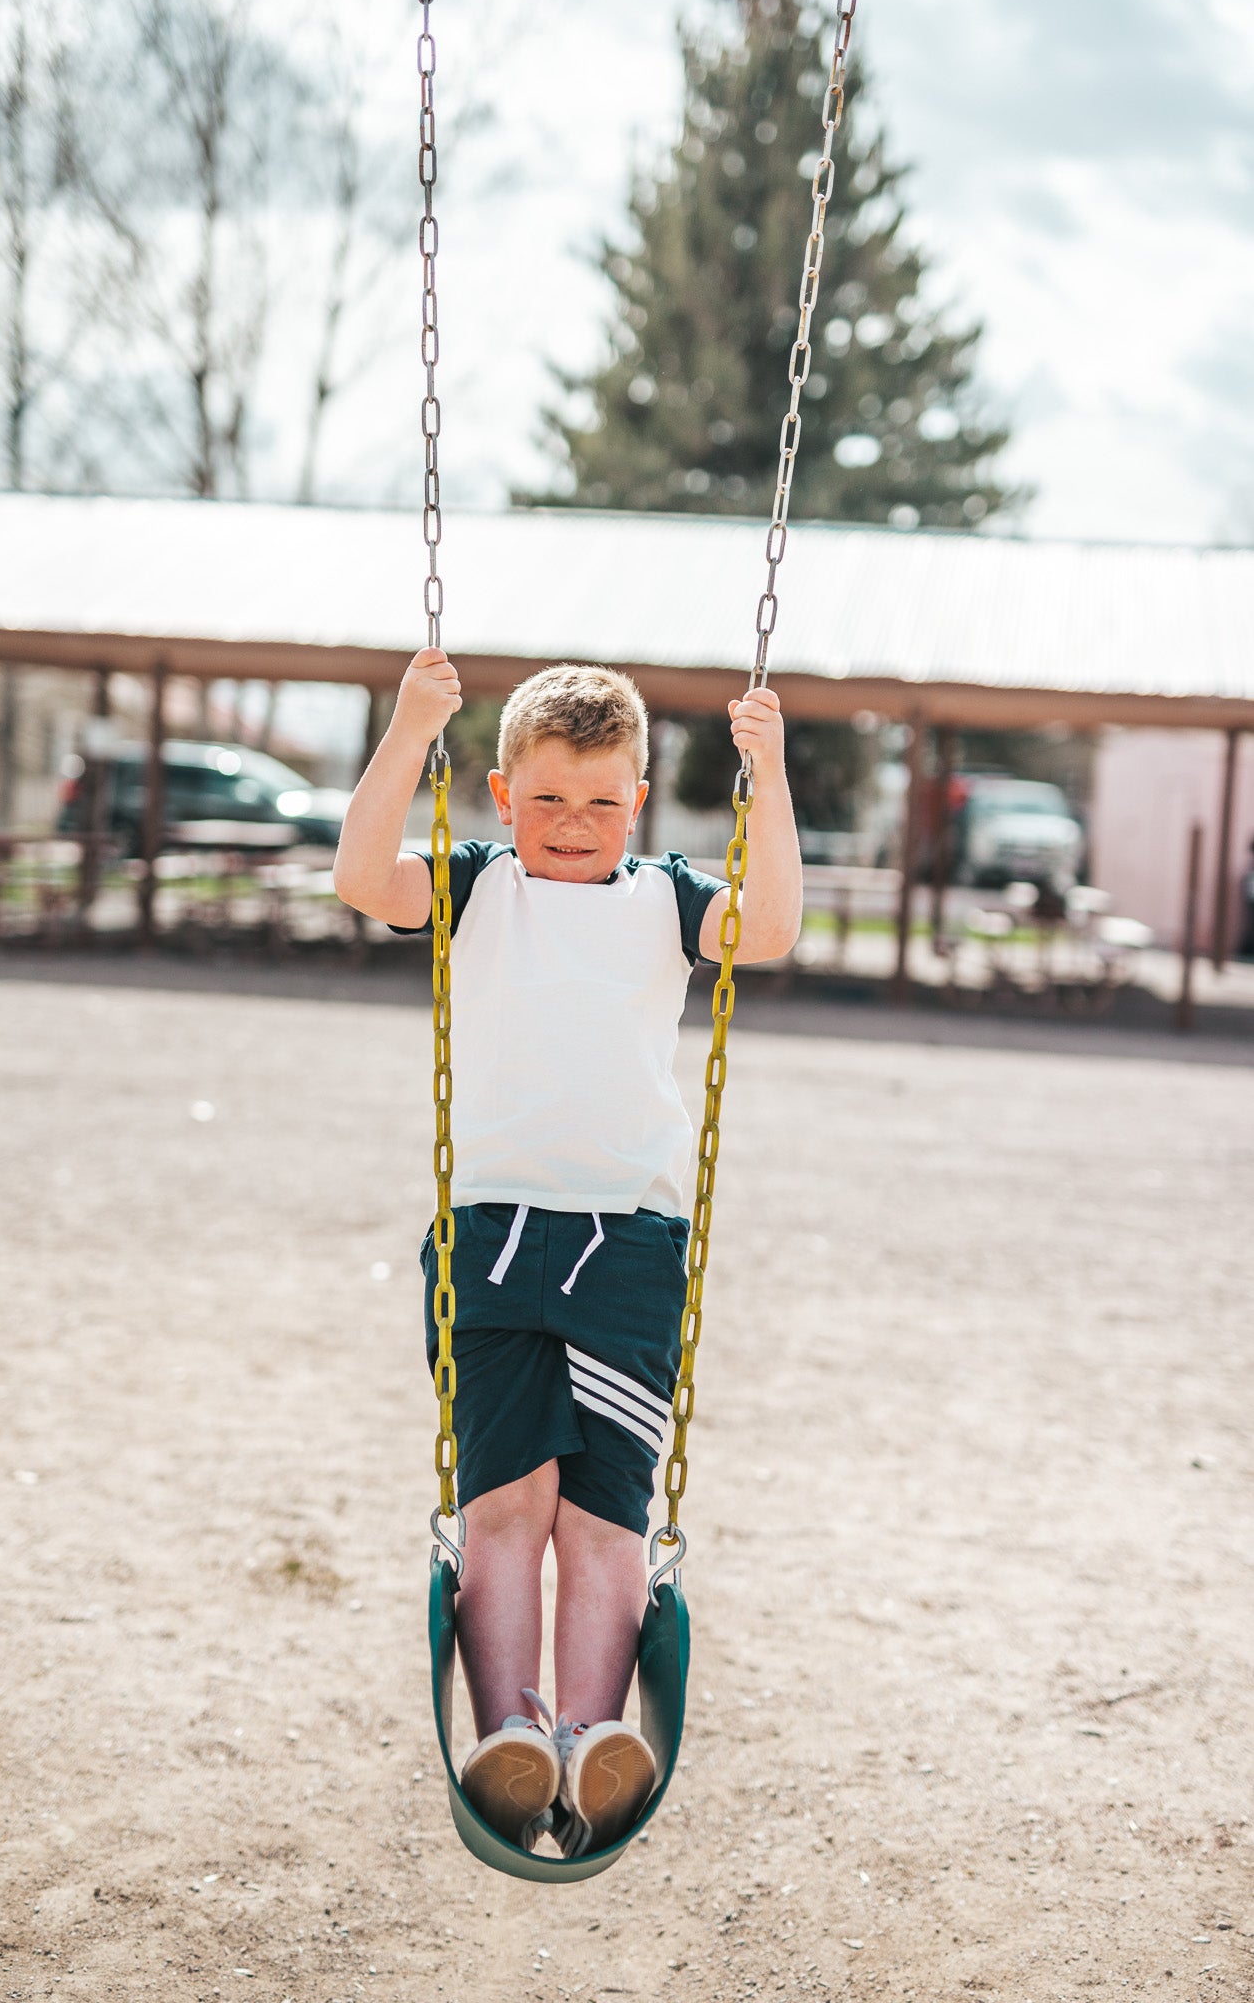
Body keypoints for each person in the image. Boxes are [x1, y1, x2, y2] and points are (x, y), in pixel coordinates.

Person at [333, 647, 802, 1855]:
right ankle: (510, 1736)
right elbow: (355, 875)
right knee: (504, 1505)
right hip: (487, 1233)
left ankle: (592, 1738)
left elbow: (776, 930)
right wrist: (408, 729)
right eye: (547, 798)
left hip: (628, 1243)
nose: (574, 823)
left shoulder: (669, 897)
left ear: (636, 801)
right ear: (501, 793)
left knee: (600, 1518)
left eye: (600, 800)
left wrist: (772, 772)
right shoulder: (479, 883)